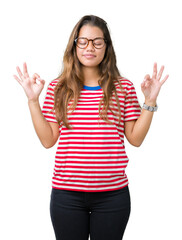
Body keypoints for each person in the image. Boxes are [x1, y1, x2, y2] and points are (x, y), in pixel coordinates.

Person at [14, 15, 169, 240]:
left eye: (98, 42)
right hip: (67, 195)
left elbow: (135, 139)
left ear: (107, 46)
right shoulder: (58, 87)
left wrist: (151, 101)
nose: (90, 47)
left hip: (112, 196)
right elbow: (48, 140)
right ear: (74, 45)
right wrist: (32, 101)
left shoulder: (123, 87)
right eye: (84, 41)